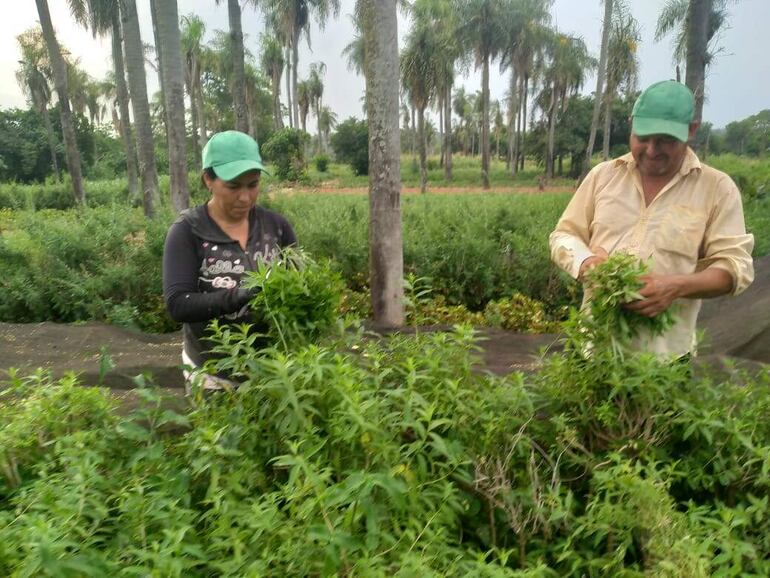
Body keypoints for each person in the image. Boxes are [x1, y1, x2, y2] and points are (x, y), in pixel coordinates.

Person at [549, 80, 754, 358]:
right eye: (642, 138)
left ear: (691, 130)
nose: (651, 149)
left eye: (665, 140)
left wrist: (674, 287)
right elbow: (564, 235)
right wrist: (587, 263)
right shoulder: (604, 176)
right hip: (592, 348)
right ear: (631, 124)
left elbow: (735, 267)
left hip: (663, 361)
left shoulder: (717, 189)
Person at [163, 130, 296, 393]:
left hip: (272, 374)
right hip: (213, 379)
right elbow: (178, 304)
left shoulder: (276, 227)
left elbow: (298, 284)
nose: (245, 197)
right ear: (208, 180)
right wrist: (241, 295)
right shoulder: (187, 231)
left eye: (253, 184)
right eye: (233, 186)